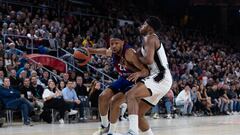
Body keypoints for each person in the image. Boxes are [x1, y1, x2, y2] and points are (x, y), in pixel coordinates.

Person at [87, 33, 149, 135]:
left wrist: (138, 73)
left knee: (114, 102)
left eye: (116, 43)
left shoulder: (129, 53)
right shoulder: (113, 51)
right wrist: (89, 51)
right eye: (112, 43)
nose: (114, 46)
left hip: (135, 81)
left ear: (123, 43)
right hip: (123, 78)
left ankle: (112, 132)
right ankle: (104, 126)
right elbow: (103, 51)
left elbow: (146, 71)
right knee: (102, 96)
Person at [124, 16, 173, 135]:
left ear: (150, 28)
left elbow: (149, 60)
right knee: (139, 115)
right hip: (160, 80)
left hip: (160, 77)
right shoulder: (145, 43)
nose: (141, 26)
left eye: (144, 24)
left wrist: (135, 57)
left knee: (131, 94)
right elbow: (140, 63)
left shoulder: (150, 38)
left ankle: (132, 131)